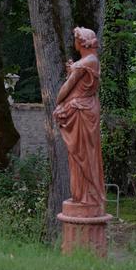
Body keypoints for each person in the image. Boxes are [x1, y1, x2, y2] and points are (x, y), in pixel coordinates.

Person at [54, 27, 105, 209]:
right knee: (79, 155)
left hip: (82, 113)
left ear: (80, 42)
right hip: (85, 110)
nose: (73, 42)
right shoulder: (89, 61)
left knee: (83, 154)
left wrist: (59, 100)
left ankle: (88, 197)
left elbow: (66, 89)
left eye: (75, 39)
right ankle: (81, 195)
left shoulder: (88, 61)